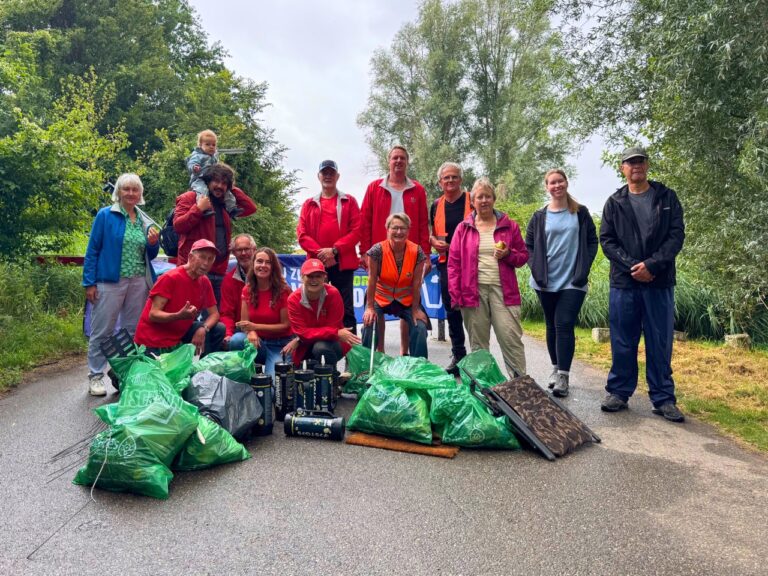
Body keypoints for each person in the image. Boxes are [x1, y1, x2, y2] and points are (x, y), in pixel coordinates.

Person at [599, 146, 686, 422]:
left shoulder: (667, 197)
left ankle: (663, 398)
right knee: (623, 339)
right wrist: (632, 266)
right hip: (625, 283)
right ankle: (619, 392)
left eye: (640, 161)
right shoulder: (614, 202)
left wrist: (652, 265)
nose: (635, 165)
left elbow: (676, 236)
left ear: (647, 165)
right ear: (622, 168)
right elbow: (607, 240)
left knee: (660, 341)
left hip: (659, 282)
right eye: (630, 162)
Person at [82, 173, 160, 396]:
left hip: (138, 281)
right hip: (109, 281)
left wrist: (153, 244)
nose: (131, 193)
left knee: (131, 330)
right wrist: (89, 282)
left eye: (135, 190)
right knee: (102, 329)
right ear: (118, 192)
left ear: (140, 194)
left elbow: (149, 254)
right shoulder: (106, 215)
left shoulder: (145, 220)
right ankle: (95, 376)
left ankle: (125, 374)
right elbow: (93, 250)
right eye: (126, 189)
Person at [526, 169, 598, 397]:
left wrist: (584, 268)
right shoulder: (539, 216)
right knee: (551, 325)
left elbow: (591, 241)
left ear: (566, 183)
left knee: (564, 323)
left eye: (560, 181)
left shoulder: (581, 212)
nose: (556, 186)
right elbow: (529, 245)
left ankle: (564, 376)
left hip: (573, 280)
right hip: (545, 281)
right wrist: (536, 268)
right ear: (546, 187)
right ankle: (555, 368)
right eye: (552, 183)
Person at [448, 178, 529, 379]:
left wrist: (508, 254)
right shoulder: (463, 228)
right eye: (479, 197)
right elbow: (454, 264)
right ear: (473, 201)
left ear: (493, 199)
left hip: (504, 291)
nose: (483, 200)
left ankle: (520, 387)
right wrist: (456, 295)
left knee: (510, 338)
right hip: (472, 293)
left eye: (487, 196)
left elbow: (522, 257)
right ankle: (484, 390)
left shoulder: (509, 225)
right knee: (478, 345)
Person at [359, 145, 431, 355]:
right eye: (394, 158)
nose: (398, 161)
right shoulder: (375, 187)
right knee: (374, 311)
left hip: (409, 254)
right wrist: (364, 251)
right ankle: (378, 353)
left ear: (407, 162)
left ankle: (404, 352)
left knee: (409, 305)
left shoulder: (417, 189)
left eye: (402, 158)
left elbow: (423, 224)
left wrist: (424, 254)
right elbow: (365, 220)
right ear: (388, 161)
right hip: (380, 251)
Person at [173, 163, 257, 304]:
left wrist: (231, 188)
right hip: (193, 270)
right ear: (207, 181)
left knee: (215, 318)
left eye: (224, 183)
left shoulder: (226, 202)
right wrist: (198, 209)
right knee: (186, 315)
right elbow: (178, 226)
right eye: (216, 181)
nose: (220, 186)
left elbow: (250, 208)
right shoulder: (190, 197)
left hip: (218, 270)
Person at [297, 160, 361, 333]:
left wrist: (334, 250)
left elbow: (357, 231)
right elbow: (302, 235)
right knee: (314, 308)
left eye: (331, 173)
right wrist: (323, 254)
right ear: (318, 176)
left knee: (346, 309)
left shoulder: (350, 201)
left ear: (337, 176)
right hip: (316, 264)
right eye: (324, 173)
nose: (328, 176)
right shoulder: (308, 204)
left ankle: (351, 354)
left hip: (343, 262)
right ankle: (314, 354)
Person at [133, 239, 225, 356]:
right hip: (153, 339)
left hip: (178, 333)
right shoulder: (171, 278)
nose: (206, 263)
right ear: (191, 257)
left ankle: (205, 366)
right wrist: (178, 316)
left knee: (218, 329)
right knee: (164, 373)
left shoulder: (204, 281)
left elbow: (215, 314)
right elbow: (153, 314)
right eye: (202, 257)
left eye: (210, 259)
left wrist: (203, 328)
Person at [362, 213, 430, 358]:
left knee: (420, 326)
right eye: (395, 228)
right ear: (387, 229)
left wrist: (416, 309)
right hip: (380, 297)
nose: (399, 232)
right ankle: (365, 367)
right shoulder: (376, 251)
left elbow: (417, 283)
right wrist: (369, 308)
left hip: (406, 299)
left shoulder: (417, 252)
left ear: (408, 230)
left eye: (403, 228)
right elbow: (372, 280)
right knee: (369, 324)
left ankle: (419, 369)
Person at [429, 162, 472, 372]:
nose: (450, 181)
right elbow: (430, 232)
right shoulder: (436, 205)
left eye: (454, 177)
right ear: (440, 182)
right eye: (446, 178)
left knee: (474, 311)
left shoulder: (472, 200)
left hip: (471, 264)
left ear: (461, 180)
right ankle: (459, 356)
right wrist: (433, 242)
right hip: (447, 265)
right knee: (452, 310)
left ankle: (478, 357)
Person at [287, 258, 361, 369]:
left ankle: (332, 377)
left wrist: (302, 337)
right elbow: (302, 332)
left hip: (332, 342)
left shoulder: (333, 294)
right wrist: (300, 338)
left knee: (321, 347)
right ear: (302, 277)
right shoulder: (293, 299)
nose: (314, 280)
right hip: (307, 342)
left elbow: (332, 327)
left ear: (324, 277)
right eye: (310, 276)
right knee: (295, 373)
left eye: (318, 276)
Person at [235, 247, 295, 377]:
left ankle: (274, 369)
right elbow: (245, 324)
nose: (263, 265)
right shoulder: (247, 289)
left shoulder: (283, 290)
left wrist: (255, 327)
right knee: (237, 340)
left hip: (280, 345)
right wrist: (251, 331)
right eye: (259, 261)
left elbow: (286, 325)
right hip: (259, 343)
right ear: (253, 264)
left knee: (276, 391)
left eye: (268, 262)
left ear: (274, 267)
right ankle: (249, 376)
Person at [186, 129, 240, 218]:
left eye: (213, 145)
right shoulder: (197, 155)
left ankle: (232, 209)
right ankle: (204, 209)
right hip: (199, 178)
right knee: (202, 191)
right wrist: (194, 168)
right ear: (200, 145)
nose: (211, 147)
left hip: (211, 179)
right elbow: (191, 163)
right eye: (207, 144)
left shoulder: (214, 157)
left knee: (227, 191)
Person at [219, 233, 256, 350]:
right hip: (242, 331)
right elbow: (226, 313)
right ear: (233, 253)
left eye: (247, 249)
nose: (244, 253)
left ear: (254, 250)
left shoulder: (267, 275)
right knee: (235, 341)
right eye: (239, 250)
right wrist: (228, 334)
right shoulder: (228, 280)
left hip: (268, 331)